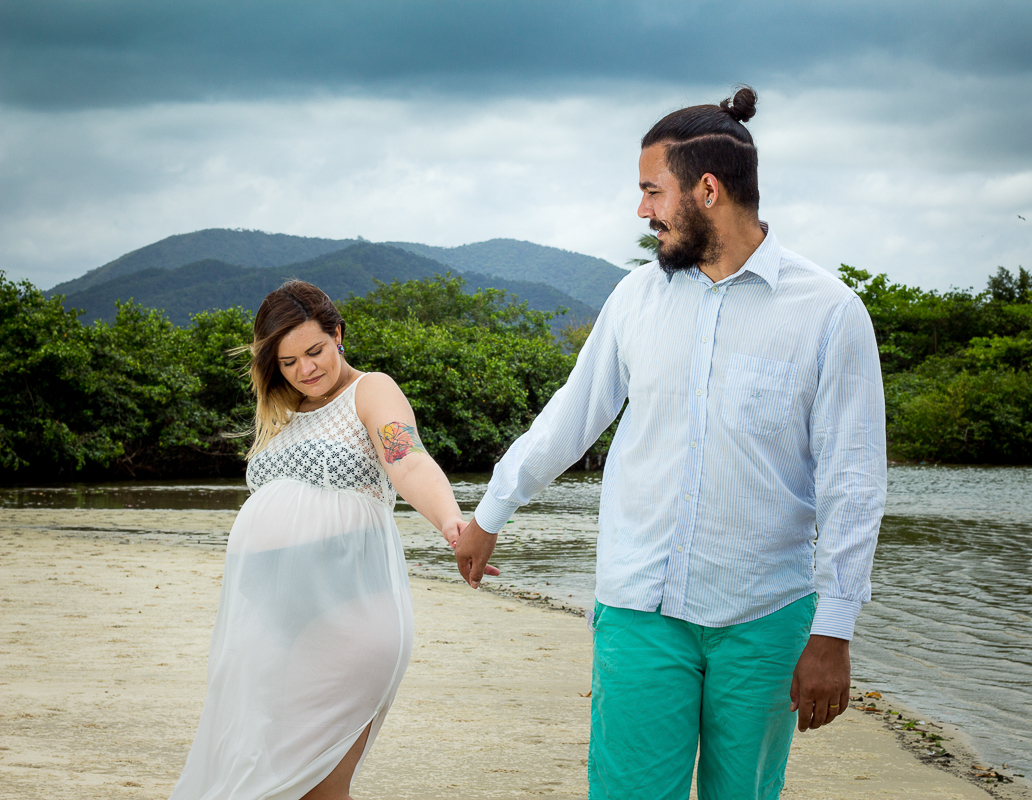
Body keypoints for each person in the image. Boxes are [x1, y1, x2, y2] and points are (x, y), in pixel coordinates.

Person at [453, 86, 887, 799]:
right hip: (639, 610)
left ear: (707, 190)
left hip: (764, 616)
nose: (642, 211)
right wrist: (491, 513)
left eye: (652, 191)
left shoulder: (830, 313)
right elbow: (572, 416)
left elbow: (853, 482)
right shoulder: (636, 298)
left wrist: (834, 631)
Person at [169, 280, 494, 800]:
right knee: (270, 782)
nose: (305, 369)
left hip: (347, 620)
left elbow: (407, 458)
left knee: (321, 786)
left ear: (338, 334)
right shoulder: (282, 413)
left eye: (315, 351)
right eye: (288, 361)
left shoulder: (371, 391)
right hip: (273, 630)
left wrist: (452, 521)